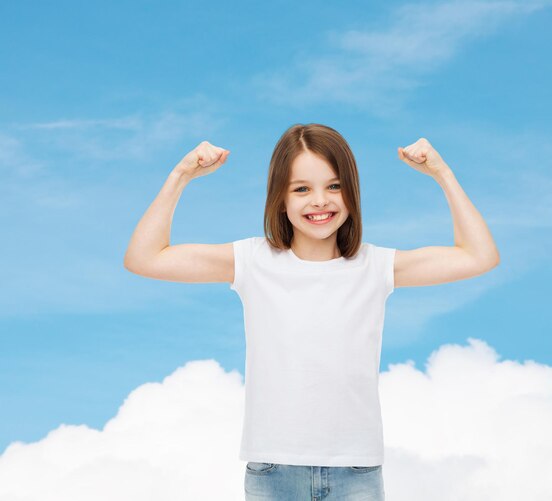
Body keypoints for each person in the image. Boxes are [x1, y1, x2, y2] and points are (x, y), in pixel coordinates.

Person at [123, 123, 500, 500]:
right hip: (274, 471)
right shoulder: (253, 261)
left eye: (334, 186)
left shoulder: (376, 266)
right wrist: (181, 175)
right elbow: (144, 258)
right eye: (302, 189)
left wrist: (442, 174)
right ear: (280, 199)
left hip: (357, 471)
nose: (320, 200)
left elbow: (479, 256)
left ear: (351, 193)